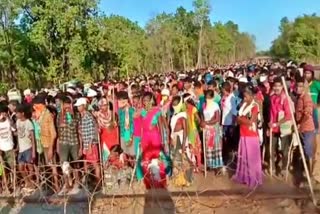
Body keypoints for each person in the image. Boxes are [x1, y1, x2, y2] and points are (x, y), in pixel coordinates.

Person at [233, 85, 262, 188]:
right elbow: (238, 118)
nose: (244, 99)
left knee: (252, 158)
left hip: (251, 135)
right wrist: (240, 119)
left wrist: (240, 120)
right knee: (244, 157)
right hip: (243, 133)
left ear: (251, 96)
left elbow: (251, 121)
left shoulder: (255, 106)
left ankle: (253, 178)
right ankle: (245, 177)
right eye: (244, 97)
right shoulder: (243, 105)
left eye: (246, 97)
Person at [140, 92, 171, 189]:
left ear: (152, 100)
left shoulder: (157, 110)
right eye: (144, 100)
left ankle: (161, 179)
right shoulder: (142, 111)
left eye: (148, 100)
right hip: (145, 137)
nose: (146, 102)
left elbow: (161, 125)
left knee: (158, 158)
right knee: (146, 159)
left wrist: (163, 139)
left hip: (155, 136)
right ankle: (149, 180)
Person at [33, 94, 59, 192]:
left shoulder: (48, 115)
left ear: (40, 104)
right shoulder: (42, 114)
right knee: (49, 166)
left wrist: (51, 149)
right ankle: (52, 185)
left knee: (53, 166)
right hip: (44, 143)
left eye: (36, 105)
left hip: (49, 144)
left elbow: (53, 134)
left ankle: (56, 186)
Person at [267, 77, 292, 176]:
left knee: (285, 150)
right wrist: (270, 124)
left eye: (279, 86)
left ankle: (284, 168)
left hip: (284, 128)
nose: (277, 88)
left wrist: (277, 123)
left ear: (282, 86)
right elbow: (271, 113)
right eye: (275, 86)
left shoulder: (285, 99)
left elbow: (288, 116)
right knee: (272, 149)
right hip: (274, 128)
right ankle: (272, 167)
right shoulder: (272, 98)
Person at [56, 96, 81, 195]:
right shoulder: (59, 116)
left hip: (74, 141)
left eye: (69, 104)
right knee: (64, 164)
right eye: (65, 104)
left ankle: (78, 182)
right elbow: (59, 129)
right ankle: (67, 183)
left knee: (76, 163)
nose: (67, 106)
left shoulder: (76, 115)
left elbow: (77, 128)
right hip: (64, 142)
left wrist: (72, 115)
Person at [75, 97, 101, 186]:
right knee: (86, 163)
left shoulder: (88, 116)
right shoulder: (81, 117)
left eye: (79, 106)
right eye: (77, 106)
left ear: (83, 106)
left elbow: (91, 132)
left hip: (91, 144)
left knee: (94, 164)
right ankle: (88, 180)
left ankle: (98, 182)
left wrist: (89, 146)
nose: (78, 108)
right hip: (86, 144)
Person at [170, 96, 191, 187]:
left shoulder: (182, 115)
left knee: (184, 160)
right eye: (173, 104)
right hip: (174, 138)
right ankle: (178, 179)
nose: (174, 106)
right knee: (176, 160)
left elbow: (185, 130)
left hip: (181, 138)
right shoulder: (174, 115)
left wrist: (183, 144)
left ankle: (187, 180)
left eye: (176, 104)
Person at [295, 76, 315, 174]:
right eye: (297, 86)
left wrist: (300, 124)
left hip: (307, 128)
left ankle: (311, 173)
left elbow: (307, 113)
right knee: (302, 150)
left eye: (301, 86)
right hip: (301, 128)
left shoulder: (306, 97)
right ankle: (304, 170)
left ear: (305, 87)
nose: (298, 88)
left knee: (308, 151)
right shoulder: (299, 98)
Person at [202, 89, 224, 172]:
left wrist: (207, 122)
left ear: (212, 97)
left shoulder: (215, 105)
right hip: (206, 129)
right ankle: (209, 164)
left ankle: (217, 166)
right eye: (206, 97)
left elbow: (217, 119)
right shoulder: (204, 105)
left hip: (214, 128)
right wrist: (203, 123)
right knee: (208, 147)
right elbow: (202, 116)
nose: (207, 99)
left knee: (215, 147)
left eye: (209, 97)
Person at [16, 104, 35, 190]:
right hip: (21, 149)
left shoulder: (28, 123)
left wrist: (33, 151)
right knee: (20, 167)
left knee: (30, 166)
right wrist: (17, 147)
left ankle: (31, 183)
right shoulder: (17, 122)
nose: (16, 115)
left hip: (28, 147)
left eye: (17, 113)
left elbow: (33, 138)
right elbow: (18, 136)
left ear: (22, 113)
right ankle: (27, 181)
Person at [0, 104, 15, 193]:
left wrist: (9, 119)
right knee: (4, 169)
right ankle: (6, 185)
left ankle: (13, 183)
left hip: (10, 147)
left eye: (3, 113)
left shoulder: (9, 121)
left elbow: (14, 129)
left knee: (12, 168)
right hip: (1, 149)